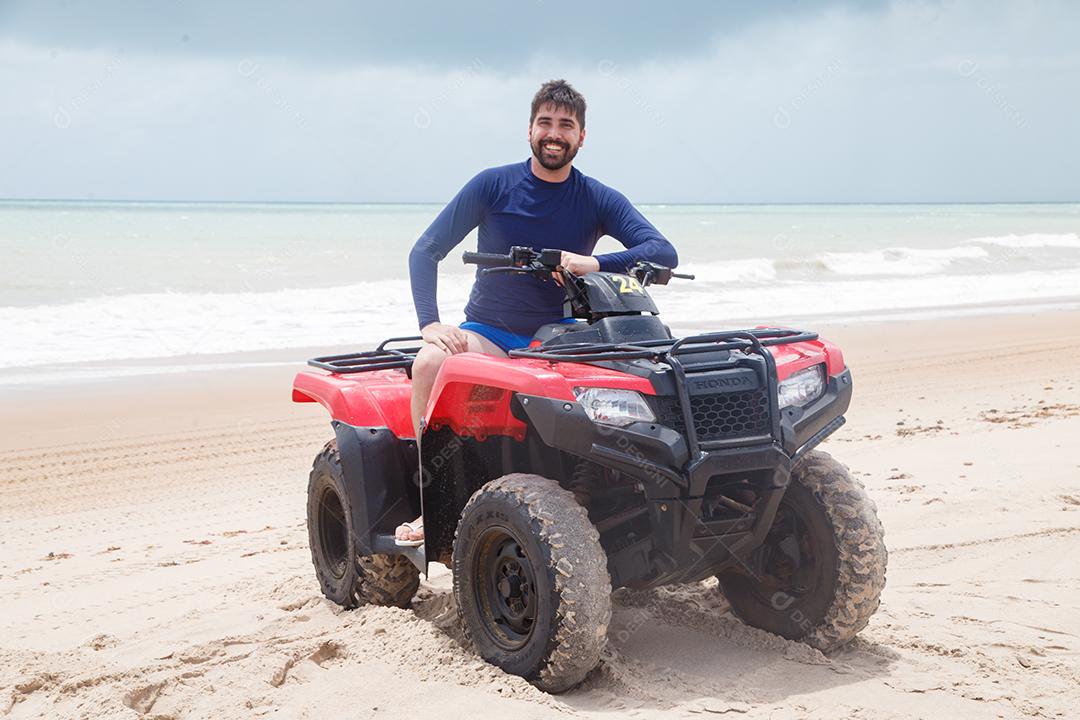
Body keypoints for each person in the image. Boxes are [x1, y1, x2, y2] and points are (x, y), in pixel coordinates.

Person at [397, 79, 677, 545]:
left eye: (565, 125)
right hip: (491, 333)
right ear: (529, 130)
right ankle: (427, 507)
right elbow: (424, 251)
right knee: (428, 362)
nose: (554, 133)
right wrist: (429, 324)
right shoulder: (493, 184)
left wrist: (594, 263)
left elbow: (663, 251)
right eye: (545, 122)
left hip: (561, 339)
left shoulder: (595, 197)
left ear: (581, 137)